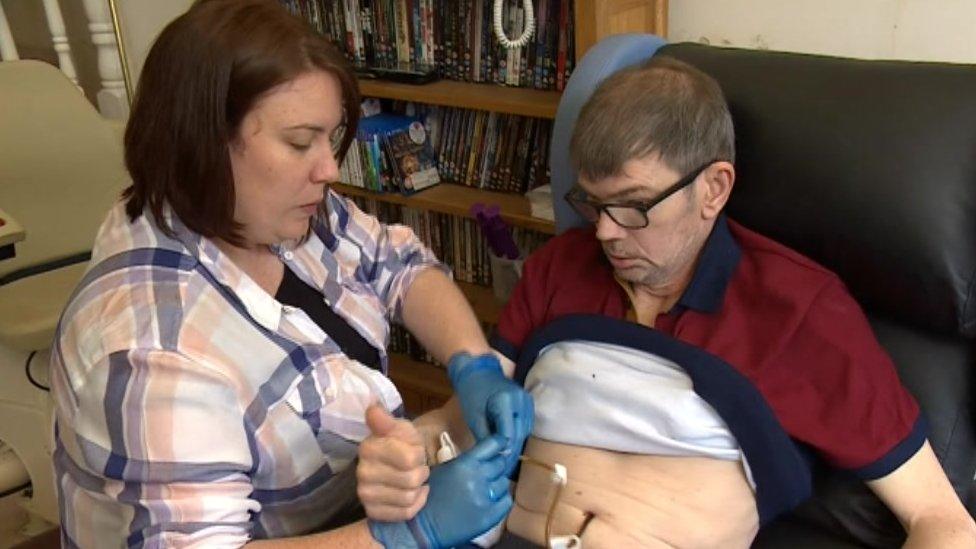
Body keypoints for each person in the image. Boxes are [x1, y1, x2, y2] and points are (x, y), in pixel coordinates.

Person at [375, 56, 976, 548]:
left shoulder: (799, 313)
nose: (606, 233)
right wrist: (409, 449)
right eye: (592, 202)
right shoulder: (563, 267)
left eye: (633, 206)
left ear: (713, 188)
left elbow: (942, 522)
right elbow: (464, 421)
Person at [49, 0, 531, 547]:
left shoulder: (271, 209)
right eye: (301, 142)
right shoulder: (152, 353)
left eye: (331, 137)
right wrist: (403, 535)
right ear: (202, 142)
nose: (328, 168)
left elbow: (398, 265)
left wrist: (472, 362)